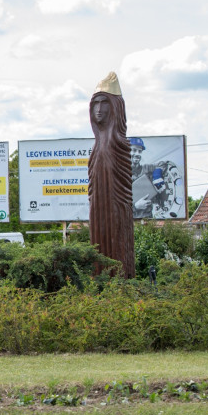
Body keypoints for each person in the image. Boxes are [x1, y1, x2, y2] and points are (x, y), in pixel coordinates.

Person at [86, 72, 135, 279]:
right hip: (98, 216)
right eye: (95, 104)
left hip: (115, 216)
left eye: (104, 103)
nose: (99, 110)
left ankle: (118, 286)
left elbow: (123, 191)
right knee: (99, 250)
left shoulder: (118, 145)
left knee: (116, 254)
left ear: (115, 107)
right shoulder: (97, 146)